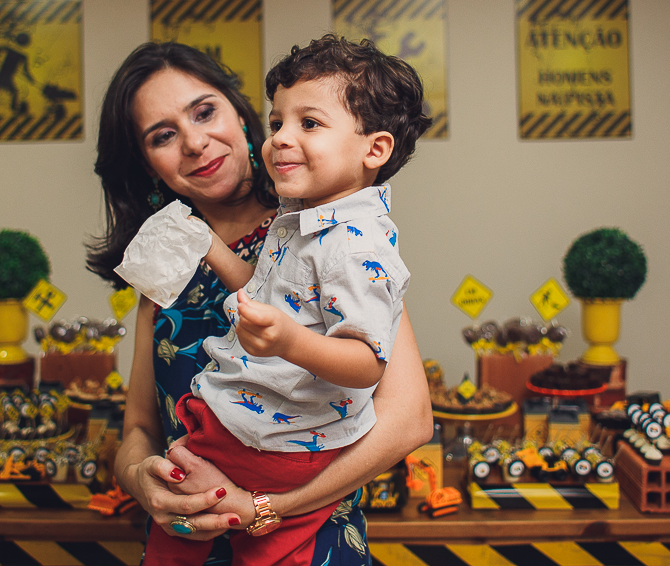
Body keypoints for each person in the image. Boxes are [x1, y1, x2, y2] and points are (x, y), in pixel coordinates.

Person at [87, 41, 433, 565]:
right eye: (163, 135)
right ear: (147, 163)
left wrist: (266, 508)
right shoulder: (170, 271)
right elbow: (138, 427)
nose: (195, 143)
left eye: (204, 112)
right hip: (188, 535)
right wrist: (143, 480)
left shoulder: (324, 231)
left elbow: (409, 420)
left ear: (238, 112)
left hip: (308, 541)